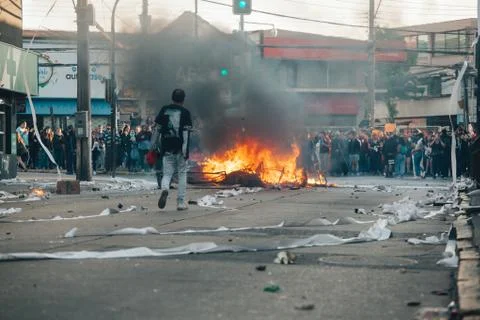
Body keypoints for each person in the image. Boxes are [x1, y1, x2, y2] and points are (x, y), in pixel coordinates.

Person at [153, 88, 192, 211]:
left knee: (167, 173)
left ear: (172, 98)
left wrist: (152, 146)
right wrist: (185, 151)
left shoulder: (164, 110)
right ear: (183, 100)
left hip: (167, 148)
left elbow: (157, 130)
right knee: (182, 174)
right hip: (180, 148)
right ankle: (180, 203)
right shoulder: (185, 112)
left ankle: (165, 189)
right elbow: (186, 133)